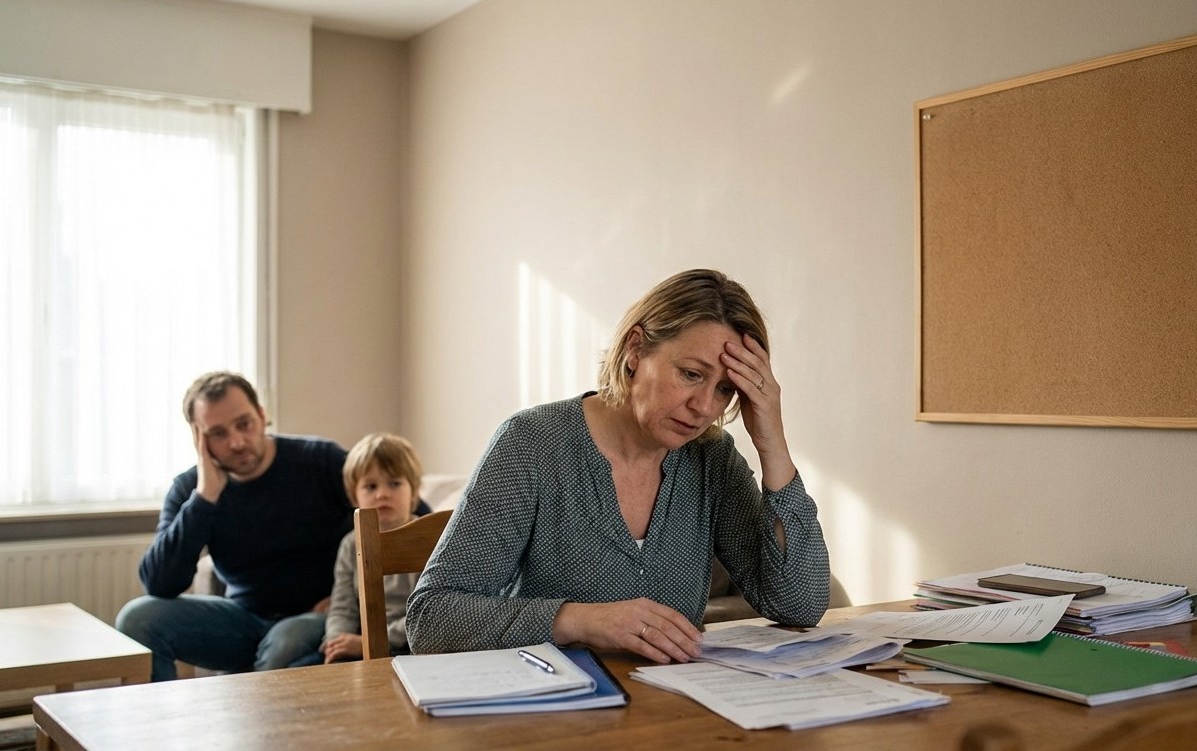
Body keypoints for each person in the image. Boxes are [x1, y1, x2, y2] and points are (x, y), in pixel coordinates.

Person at [407, 269, 830, 664]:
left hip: (676, 717)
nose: (704, 407)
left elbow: (800, 604)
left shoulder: (711, 458)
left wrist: (771, 442)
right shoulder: (532, 443)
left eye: (724, 389)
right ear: (634, 350)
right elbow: (431, 618)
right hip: (551, 718)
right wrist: (578, 621)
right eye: (690, 374)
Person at [115, 371, 353, 681]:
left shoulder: (322, 461)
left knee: (282, 645)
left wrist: (354, 597)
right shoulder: (192, 488)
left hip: (321, 616)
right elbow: (160, 583)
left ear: (262, 415)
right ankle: (162, 727)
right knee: (137, 618)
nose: (237, 442)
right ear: (198, 438)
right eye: (218, 433)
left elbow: (410, 521)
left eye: (244, 424)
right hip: (243, 620)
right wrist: (205, 497)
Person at [315, 432, 426, 664]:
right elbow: (342, 605)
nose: (382, 493)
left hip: (412, 644)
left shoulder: (427, 537)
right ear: (354, 497)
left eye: (394, 483)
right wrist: (336, 640)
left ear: (414, 492)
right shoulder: (350, 545)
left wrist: (370, 642)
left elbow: (429, 615)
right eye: (370, 486)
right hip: (361, 642)